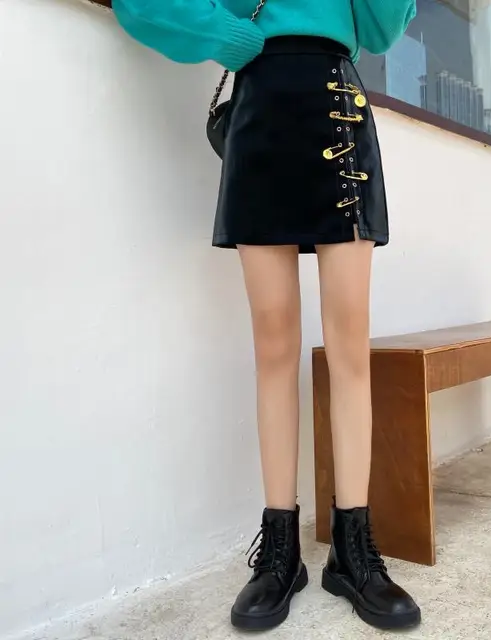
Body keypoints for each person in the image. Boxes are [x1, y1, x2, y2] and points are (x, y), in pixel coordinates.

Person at [111, 0, 421, 632]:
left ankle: (353, 550)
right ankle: (280, 552)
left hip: (338, 107)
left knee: (350, 345)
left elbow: (382, 27)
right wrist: (227, 36)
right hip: (261, 113)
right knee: (275, 344)